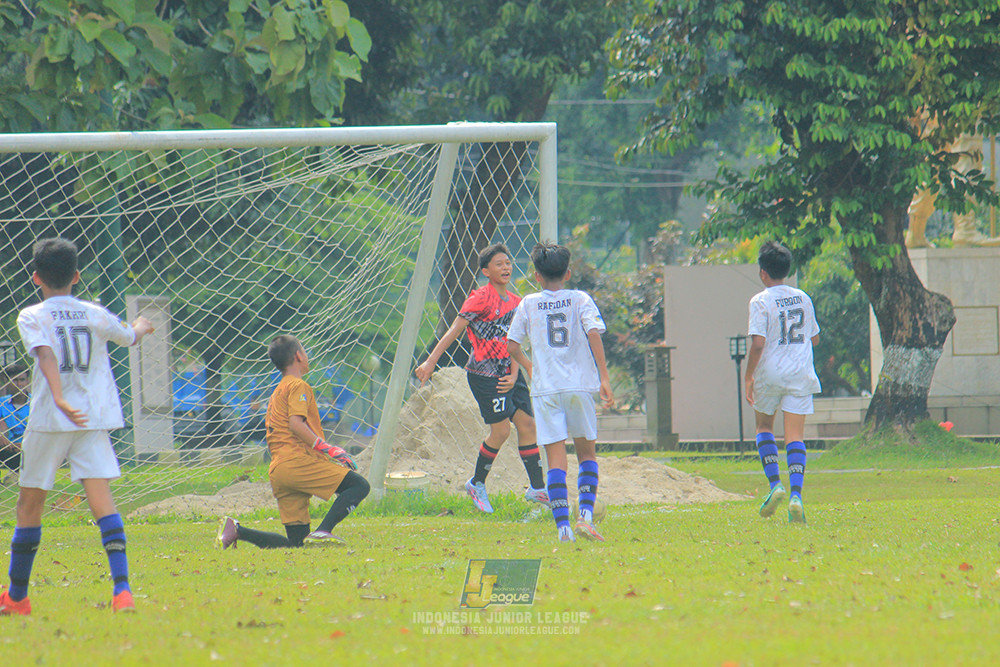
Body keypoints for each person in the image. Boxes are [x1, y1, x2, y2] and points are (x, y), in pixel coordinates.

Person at [0, 238, 154, 616]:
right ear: (77, 276)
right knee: (101, 500)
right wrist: (141, 326)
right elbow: (130, 337)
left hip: (52, 419)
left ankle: (17, 597)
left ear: (36, 277)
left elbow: (46, 354)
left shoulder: (32, 315)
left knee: (30, 504)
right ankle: (123, 592)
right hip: (92, 417)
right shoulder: (94, 312)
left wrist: (59, 397)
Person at [414, 243, 547, 513]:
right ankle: (476, 483)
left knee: (528, 424)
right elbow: (455, 330)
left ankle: (537, 489)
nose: (506, 267)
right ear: (486, 271)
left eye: (508, 262)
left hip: (509, 372)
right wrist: (430, 361)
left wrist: (514, 374)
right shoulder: (479, 298)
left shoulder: (517, 303)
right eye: (499, 264)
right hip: (485, 374)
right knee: (501, 431)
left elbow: (514, 342)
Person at [217, 334, 369, 549]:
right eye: (305, 351)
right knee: (358, 485)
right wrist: (330, 449)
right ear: (299, 355)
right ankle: (324, 531)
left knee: (296, 544)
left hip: (279, 470)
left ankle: (237, 531)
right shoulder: (297, 386)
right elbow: (295, 424)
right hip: (296, 462)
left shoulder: (277, 391)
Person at [507, 242, 615, 543]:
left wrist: (531, 367)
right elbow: (594, 333)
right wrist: (604, 377)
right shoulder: (580, 298)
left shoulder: (528, 303)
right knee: (586, 454)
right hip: (578, 386)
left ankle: (563, 530)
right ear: (567, 274)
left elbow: (512, 345)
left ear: (537, 276)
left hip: (546, 390)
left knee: (556, 460)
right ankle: (586, 518)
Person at [744, 241, 821, 525]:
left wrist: (748, 375)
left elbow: (758, 343)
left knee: (764, 426)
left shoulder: (760, 300)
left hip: (770, 372)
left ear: (763, 273)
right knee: (795, 437)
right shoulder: (803, 297)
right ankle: (796, 497)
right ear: (787, 270)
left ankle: (776, 485)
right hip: (801, 372)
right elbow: (814, 338)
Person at [0, 363, 30, 479]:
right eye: (14, 380)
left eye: (22, 380)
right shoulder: (1, 403)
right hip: (7, 448)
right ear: (6, 381)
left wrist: (25, 443)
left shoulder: (36, 403)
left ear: (28, 381)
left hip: (31, 448)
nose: (19, 384)